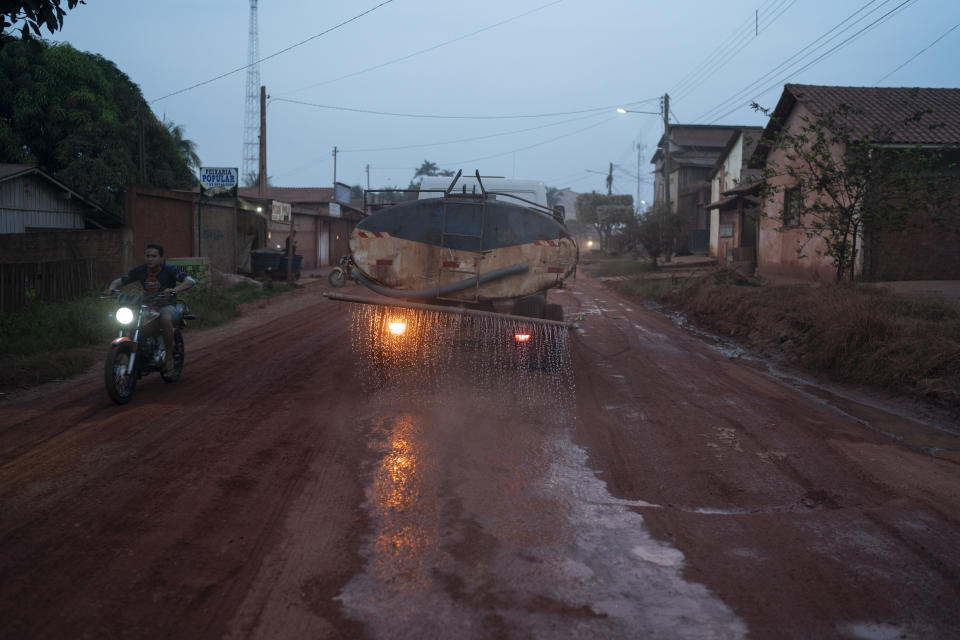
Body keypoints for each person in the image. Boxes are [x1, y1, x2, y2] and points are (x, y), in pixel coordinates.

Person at [106, 243, 195, 375]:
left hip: (168, 305)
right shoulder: (140, 270)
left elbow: (190, 281)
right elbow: (120, 281)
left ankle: (169, 357)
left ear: (161, 258)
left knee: (165, 319)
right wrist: (111, 289)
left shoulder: (169, 270)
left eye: (154, 256)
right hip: (148, 306)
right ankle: (141, 353)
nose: (150, 259)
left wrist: (174, 290)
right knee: (134, 322)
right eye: (147, 256)